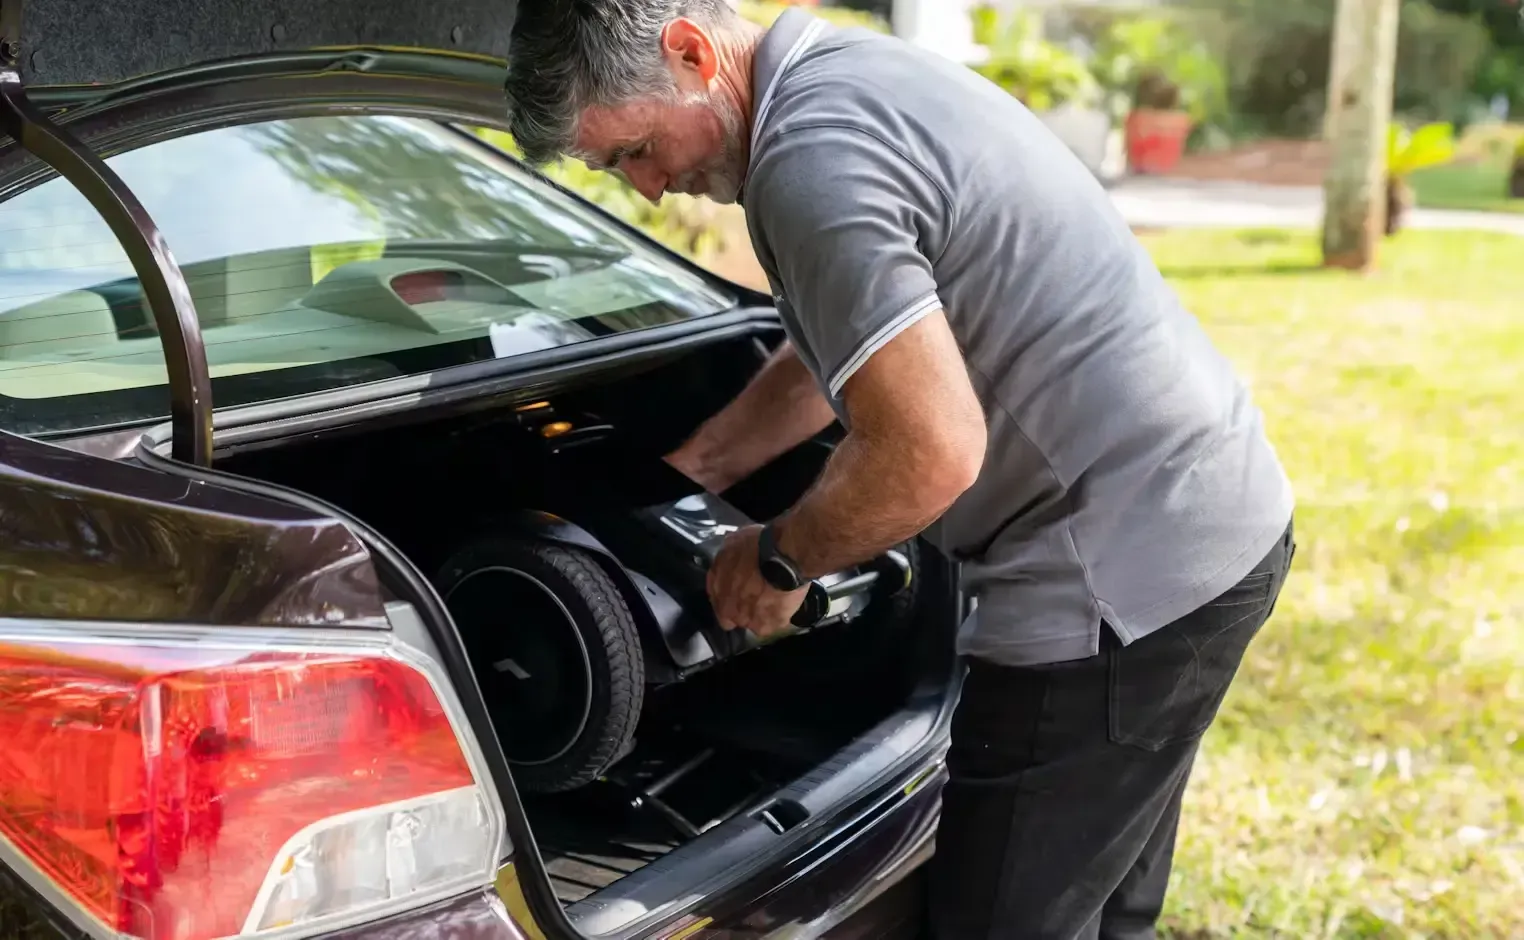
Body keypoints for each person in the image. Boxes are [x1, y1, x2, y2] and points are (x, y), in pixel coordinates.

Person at [503, 2, 1296, 937]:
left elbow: (930, 453)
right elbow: (850, 347)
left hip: (1113, 579)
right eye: (615, 169)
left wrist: (780, 562)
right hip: (1209, 515)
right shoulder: (845, 77)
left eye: (637, 149)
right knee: (1107, 907)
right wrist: (697, 466)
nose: (647, 187)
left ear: (690, 51)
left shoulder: (808, 161)